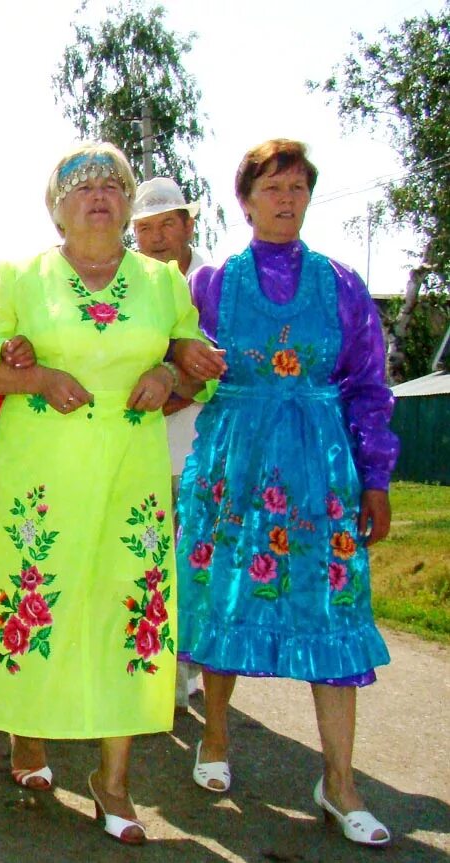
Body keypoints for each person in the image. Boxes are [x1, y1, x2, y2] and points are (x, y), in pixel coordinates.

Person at [0, 143, 223, 845]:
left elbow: (199, 360)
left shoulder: (162, 284)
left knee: (127, 616)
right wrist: (31, 377)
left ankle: (114, 780)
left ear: (128, 205)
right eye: (81, 185)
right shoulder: (20, 277)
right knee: (40, 603)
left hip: (130, 477)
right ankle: (28, 736)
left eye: (112, 185)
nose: (98, 194)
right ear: (56, 208)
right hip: (39, 479)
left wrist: (172, 372)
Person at [176, 139, 396, 847]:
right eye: (272, 187)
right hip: (234, 468)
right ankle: (215, 736)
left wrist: (378, 477)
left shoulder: (342, 285)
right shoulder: (212, 282)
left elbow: (367, 385)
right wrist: (182, 358)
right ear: (245, 200)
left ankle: (339, 782)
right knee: (221, 597)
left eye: (298, 187)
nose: (286, 199)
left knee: (332, 613)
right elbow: (173, 358)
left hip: (317, 474)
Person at [130, 177, 208, 711]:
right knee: (146, 558)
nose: (157, 238)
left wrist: (164, 389)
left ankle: (184, 665)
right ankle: (154, 662)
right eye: (145, 228)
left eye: (166, 225)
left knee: (191, 558)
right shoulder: (131, 284)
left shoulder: (208, 282)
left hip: (198, 447)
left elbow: (206, 370)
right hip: (138, 450)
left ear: (188, 225)